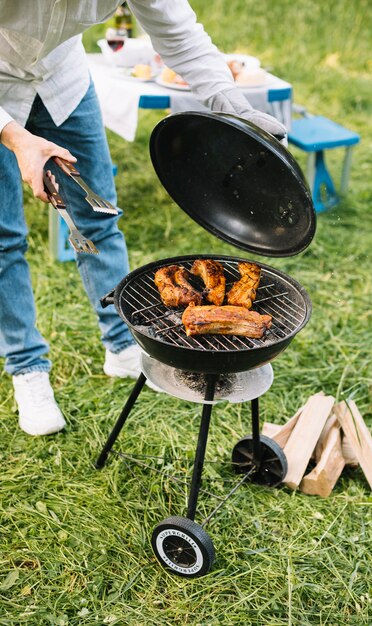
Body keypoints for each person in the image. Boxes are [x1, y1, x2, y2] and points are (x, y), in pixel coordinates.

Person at [0, 1, 287, 437]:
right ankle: (27, 369)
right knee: (4, 240)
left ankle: (121, 343)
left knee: (99, 218)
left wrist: (233, 106)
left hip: (63, 81)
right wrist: (16, 139)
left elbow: (179, 33)